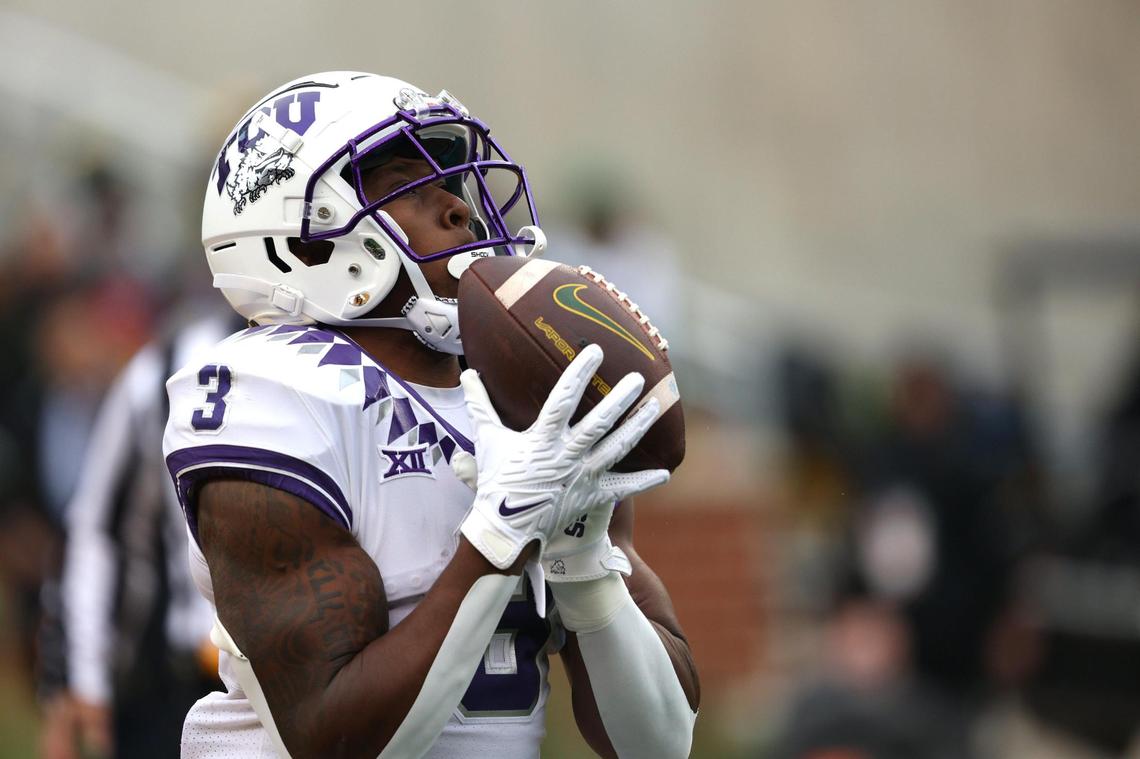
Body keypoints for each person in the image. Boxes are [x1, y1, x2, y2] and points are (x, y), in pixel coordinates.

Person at [163, 71, 699, 758]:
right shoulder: (274, 396)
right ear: (306, 241)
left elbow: (657, 746)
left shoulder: (529, 397)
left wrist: (584, 563)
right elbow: (335, 740)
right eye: (406, 187)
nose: (459, 209)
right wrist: (499, 534)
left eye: (452, 186)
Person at [40, 310, 238, 759]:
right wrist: (80, 675)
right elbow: (95, 528)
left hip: (323, 685)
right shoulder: (166, 369)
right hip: (183, 681)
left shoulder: (368, 367)